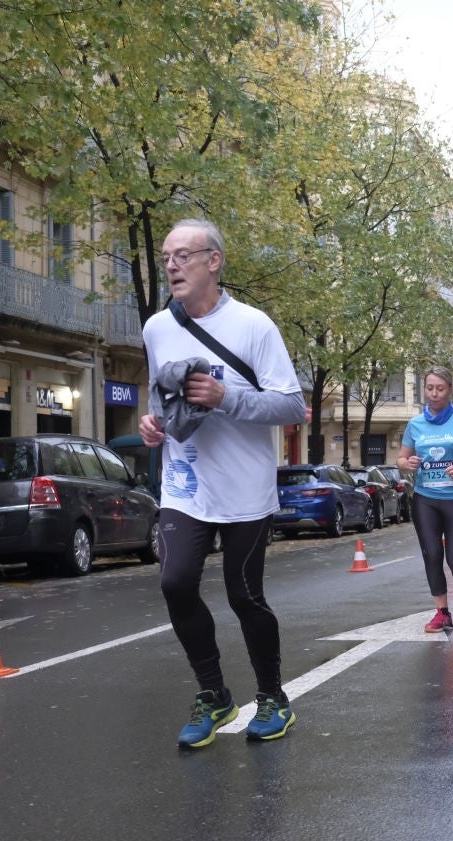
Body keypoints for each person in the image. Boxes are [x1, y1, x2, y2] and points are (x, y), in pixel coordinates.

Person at [141, 218, 307, 749]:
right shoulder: (156, 328)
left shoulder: (254, 326)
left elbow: (291, 406)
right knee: (175, 583)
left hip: (244, 488)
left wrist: (225, 397)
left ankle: (272, 697)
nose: (172, 265)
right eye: (167, 257)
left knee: (244, 594)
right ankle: (213, 696)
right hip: (185, 483)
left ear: (214, 261)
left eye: (184, 255)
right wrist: (151, 425)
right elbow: (158, 398)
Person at [398, 367, 453, 634]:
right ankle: (442, 613)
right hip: (425, 498)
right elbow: (401, 459)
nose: (434, 394)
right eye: (429, 388)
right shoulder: (415, 424)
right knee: (432, 555)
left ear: (450, 390)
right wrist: (408, 463)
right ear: (424, 390)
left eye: (440, 388)